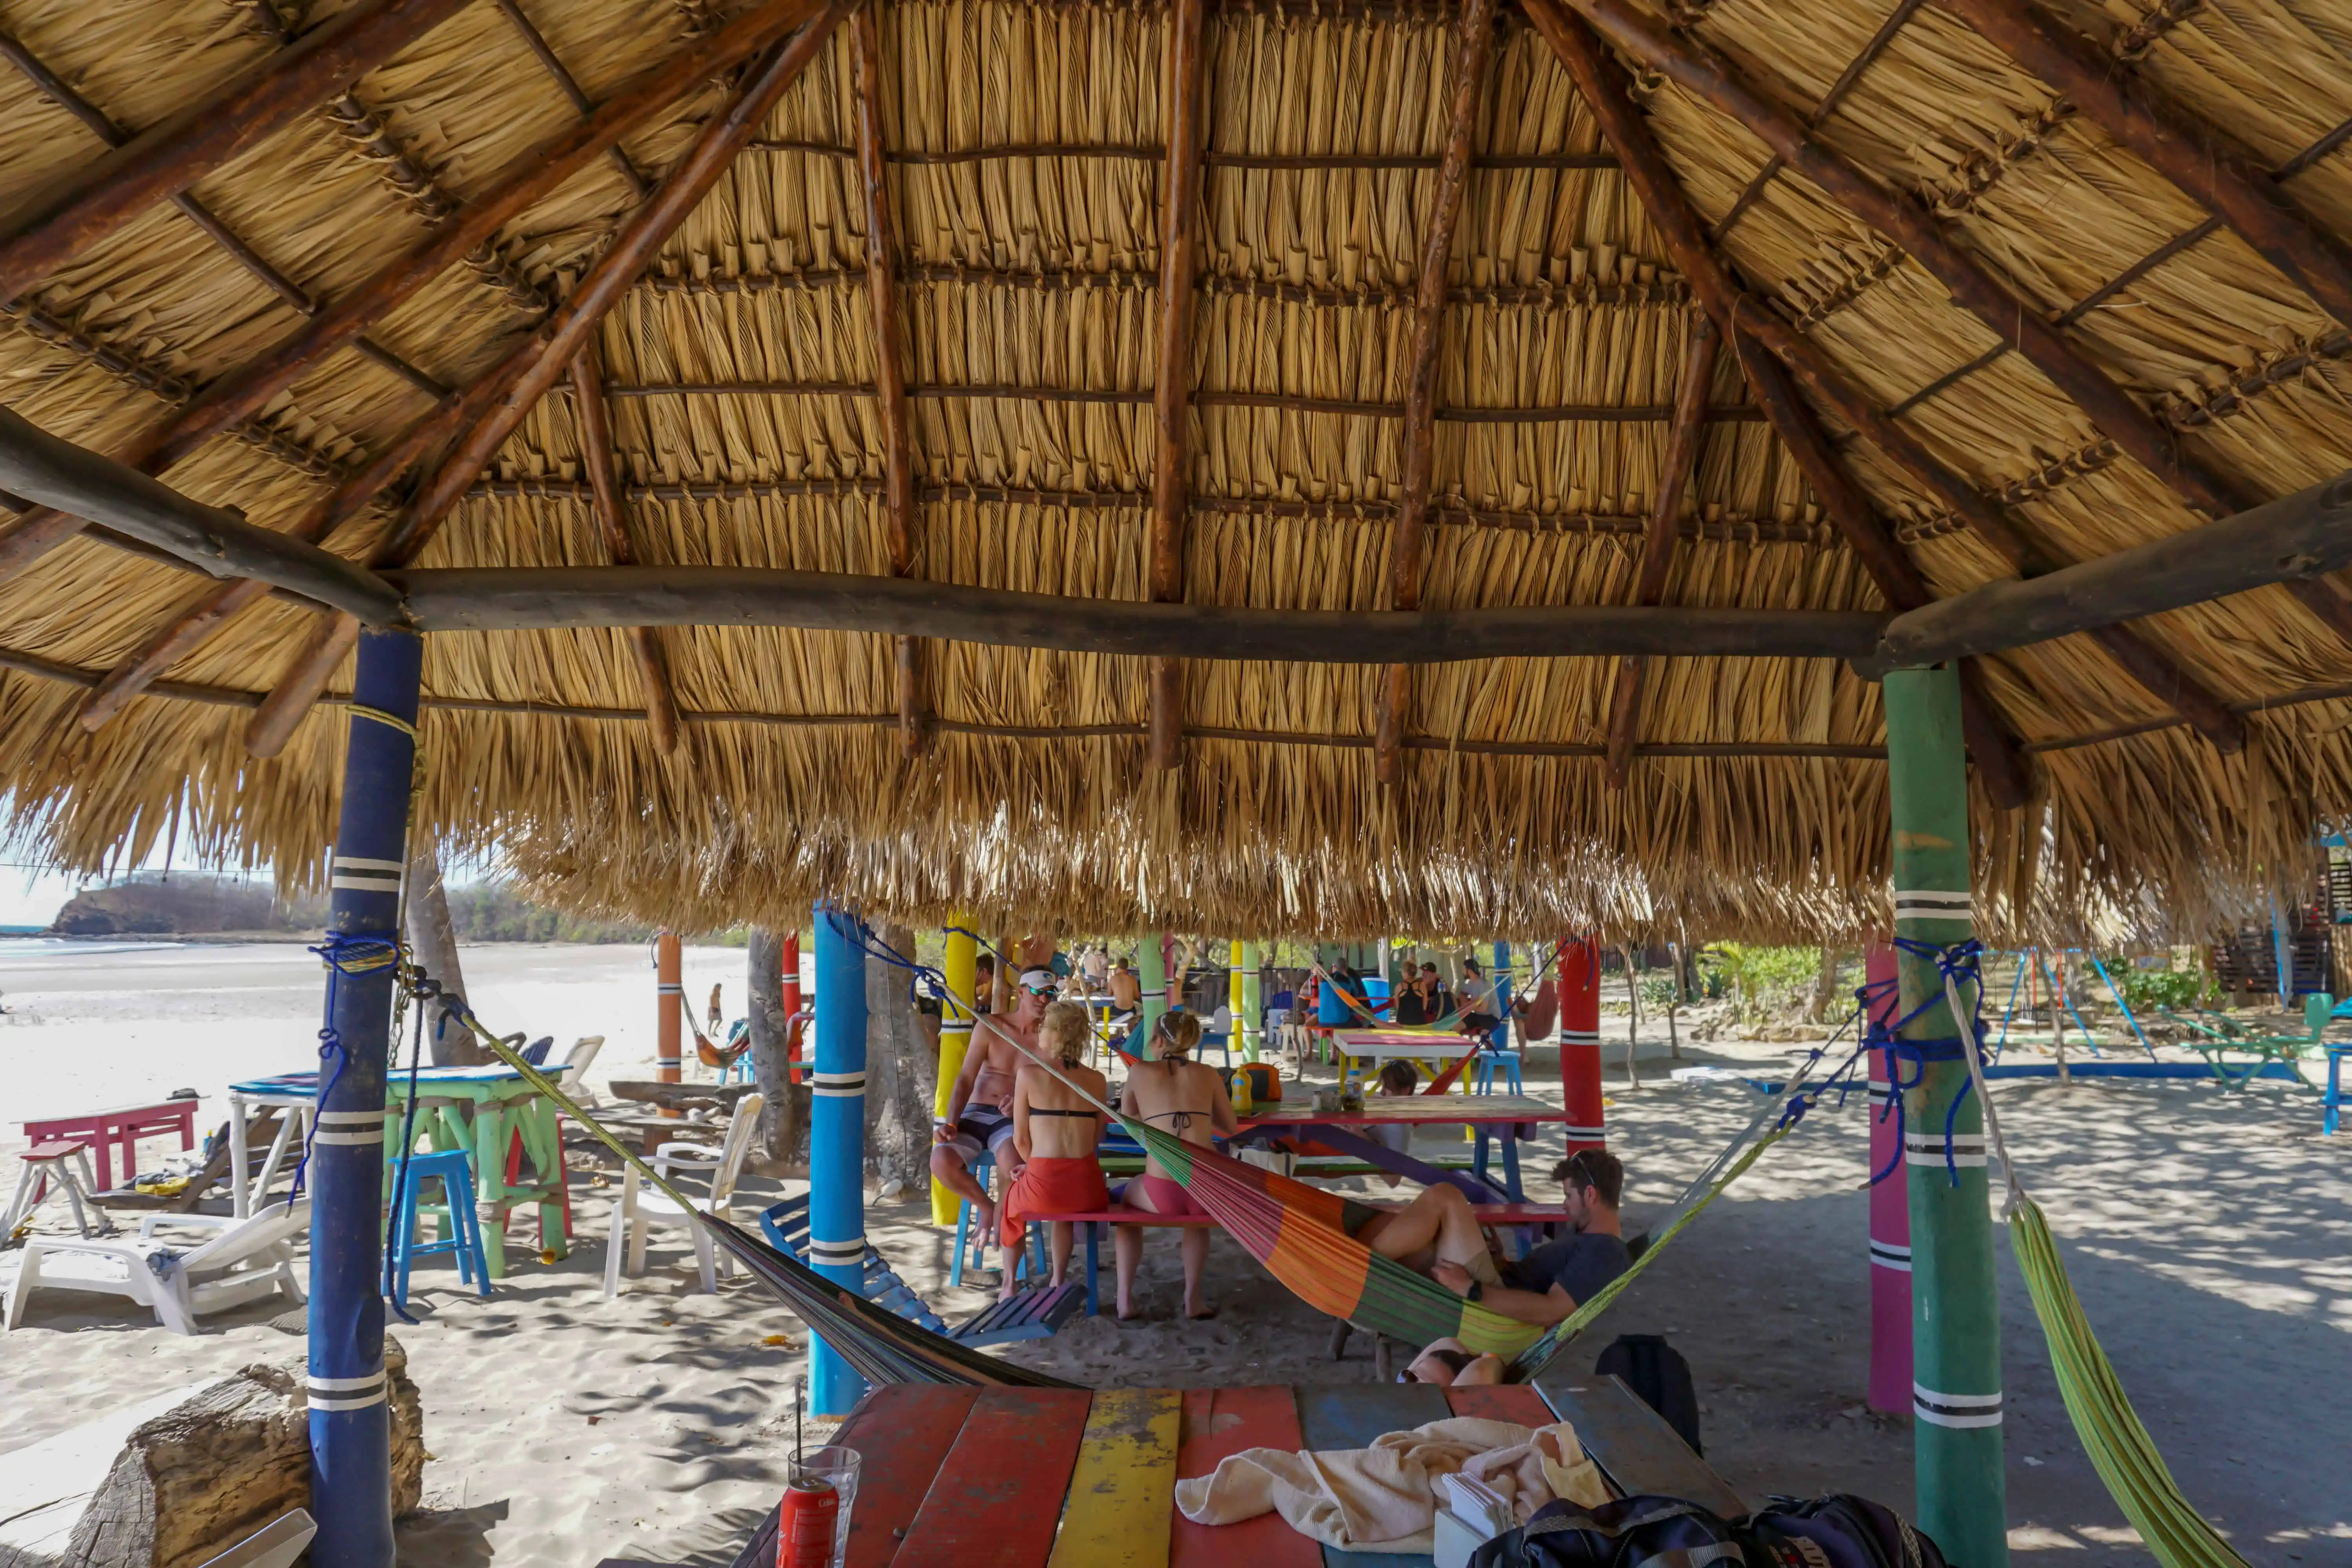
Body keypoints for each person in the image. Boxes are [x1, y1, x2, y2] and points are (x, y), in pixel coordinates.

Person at [1358, 1150, 1631, 1327]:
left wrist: (1471, 1289)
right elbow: (1537, 1280)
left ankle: (1354, 1269)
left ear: (1591, 1196)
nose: (1564, 1205)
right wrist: (1501, 1260)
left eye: (1569, 1196)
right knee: (1387, 1219)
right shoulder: (1588, 1235)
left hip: (1491, 1309)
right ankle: (1354, 1269)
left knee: (1445, 1196)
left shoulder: (1606, 1252)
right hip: (1497, 1281)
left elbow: (1552, 1311)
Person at [1114, 1011, 1237, 1319]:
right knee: (1195, 1221)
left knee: (1125, 1208)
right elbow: (1230, 1126)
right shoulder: (1208, 1073)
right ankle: (1192, 1299)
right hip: (1205, 1189)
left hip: (1162, 1191)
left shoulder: (1140, 1071)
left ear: (1157, 1040)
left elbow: (1128, 1118)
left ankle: (1124, 1301)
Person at [931, 966, 1056, 1240]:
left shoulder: (1050, 1039)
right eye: (1037, 992)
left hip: (1014, 1120)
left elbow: (1055, 1089)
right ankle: (986, 1209)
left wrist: (1027, 1105)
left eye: (1050, 994)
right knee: (940, 1160)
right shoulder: (990, 1026)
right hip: (976, 1114)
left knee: (1010, 1163)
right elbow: (965, 1078)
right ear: (1021, 992)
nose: (1044, 1000)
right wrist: (951, 1122)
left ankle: (1005, 1230)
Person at [998, 1001, 1109, 1299]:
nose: (1039, 1031)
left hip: (1046, 1181)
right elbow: (1095, 1139)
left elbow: (1021, 1141)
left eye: (1044, 1027)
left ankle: (1009, 1284)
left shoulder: (1030, 1075)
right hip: (1087, 1185)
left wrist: (1034, 1167)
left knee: (1010, 1206)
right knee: (1065, 1211)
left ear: (1057, 1034)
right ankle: (1058, 1280)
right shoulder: (1098, 1081)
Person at [1455, 958, 1499, 1037]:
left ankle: (1490, 1047)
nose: (1463, 972)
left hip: (1491, 1018)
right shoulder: (1471, 983)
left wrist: (1468, 1007)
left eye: (1464, 970)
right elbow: (1462, 994)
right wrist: (1465, 1005)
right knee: (1456, 1025)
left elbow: (1483, 1009)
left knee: (1485, 1038)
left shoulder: (1484, 985)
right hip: (1478, 1016)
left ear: (1469, 971)